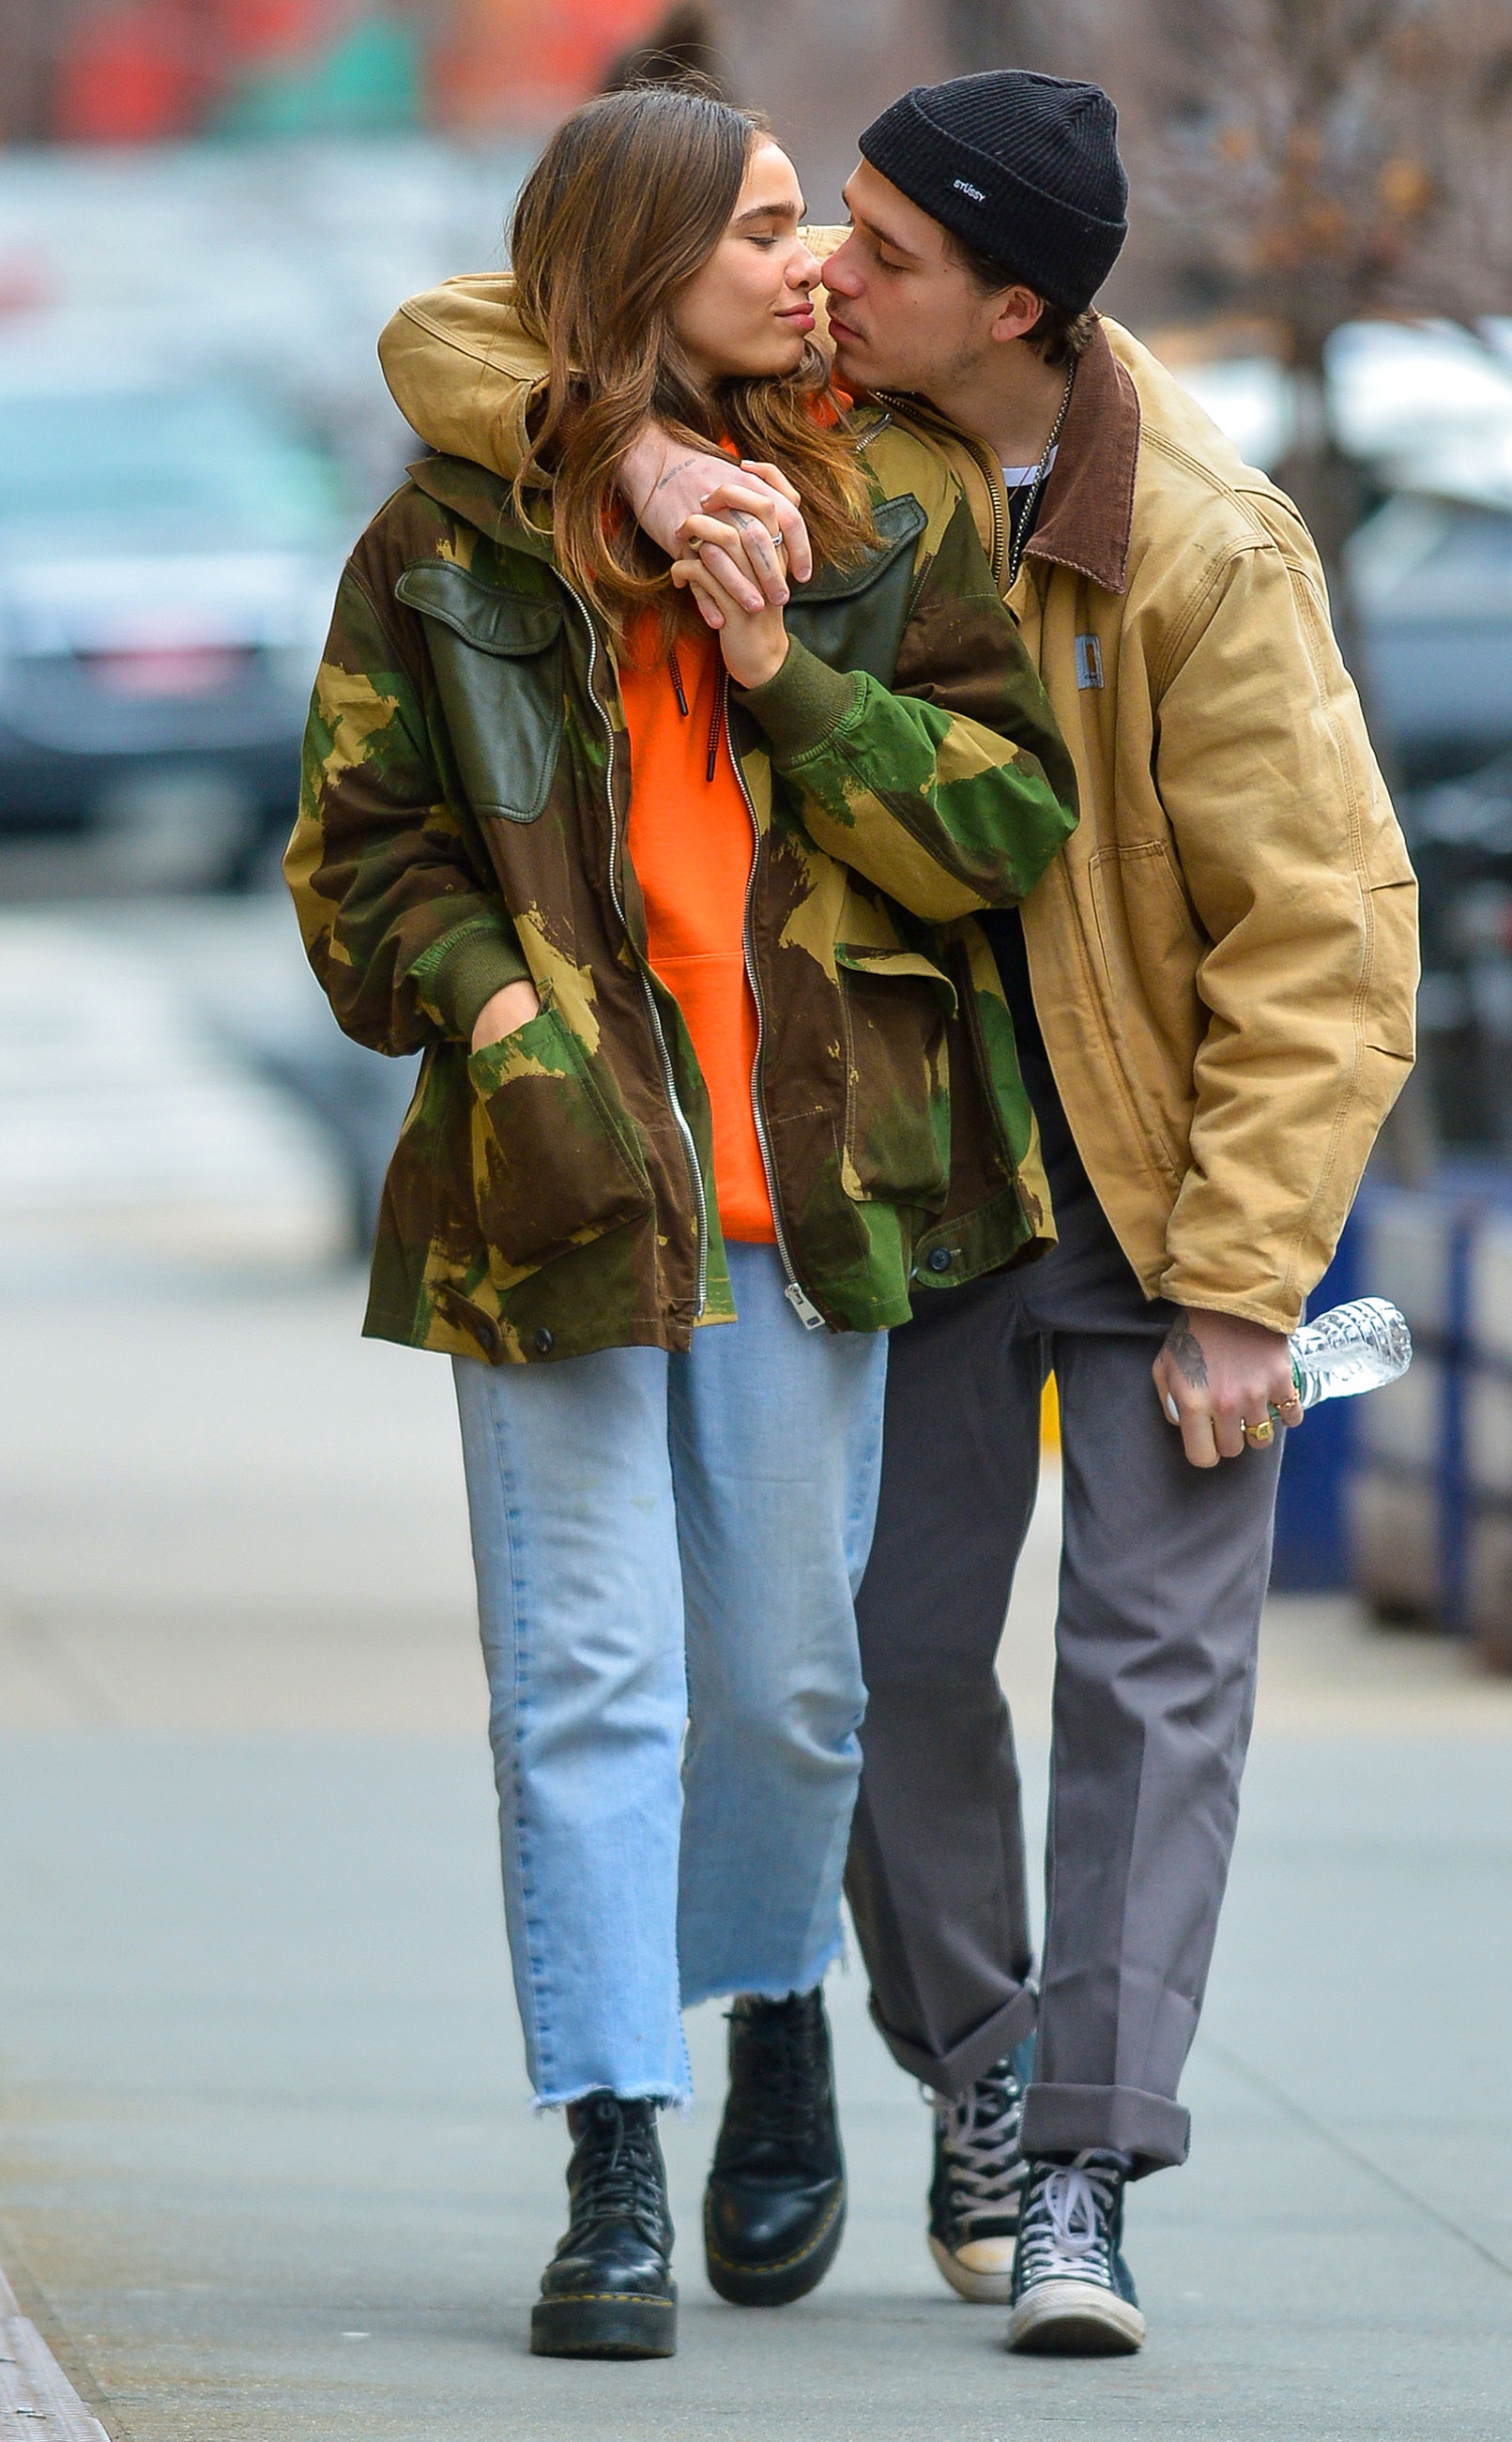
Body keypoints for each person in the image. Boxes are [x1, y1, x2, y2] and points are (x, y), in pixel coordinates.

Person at [381, 68, 1419, 2361]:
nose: (831, 270)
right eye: (813, 226)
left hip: (1156, 1197)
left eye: (882, 244)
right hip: (922, 1189)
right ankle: (968, 2064)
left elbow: (1325, 943)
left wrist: (1252, 1285)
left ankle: (1082, 2170)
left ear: (1015, 302)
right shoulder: (859, 430)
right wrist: (628, 449)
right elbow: (481, 329)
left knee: (1148, 1674)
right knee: (875, 1666)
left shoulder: (1202, 545)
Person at [285, 82, 1079, 2365]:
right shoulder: (450, 539)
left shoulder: (882, 507)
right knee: (590, 1683)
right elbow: (358, 874)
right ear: (642, 266)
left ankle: (769, 2006)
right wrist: (501, 1008)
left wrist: (777, 669)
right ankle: (613, 2141)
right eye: (758, 226)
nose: (808, 256)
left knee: (789, 1683)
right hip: (548, 1201)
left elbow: (999, 829)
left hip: (810, 1202)